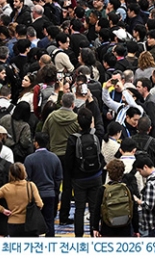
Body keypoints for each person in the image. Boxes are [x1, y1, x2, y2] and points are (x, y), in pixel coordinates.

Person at [65, 107, 106, 237]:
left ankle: (79, 237)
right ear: (91, 121)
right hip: (96, 176)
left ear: (78, 122)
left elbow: (68, 162)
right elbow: (100, 123)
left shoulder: (73, 139)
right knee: (94, 208)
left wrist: (71, 177)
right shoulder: (97, 135)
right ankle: (94, 233)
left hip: (79, 178)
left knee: (79, 209)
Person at [42, 93, 79, 225]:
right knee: (67, 187)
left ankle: (51, 214)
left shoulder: (52, 116)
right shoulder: (76, 118)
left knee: (53, 185)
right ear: (73, 104)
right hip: (70, 156)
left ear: (61, 102)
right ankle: (64, 216)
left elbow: (44, 132)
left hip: (53, 154)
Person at [0, 162, 43, 237]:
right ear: (24, 172)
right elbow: (40, 204)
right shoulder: (30, 185)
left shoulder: (6, 187)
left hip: (13, 223)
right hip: (30, 222)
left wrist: (2, 210)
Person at [23, 132, 63, 237]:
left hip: (35, 195)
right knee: (49, 221)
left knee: (33, 222)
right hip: (50, 194)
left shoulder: (29, 159)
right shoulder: (54, 158)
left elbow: (27, 179)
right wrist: (55, 191)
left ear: (36, 143)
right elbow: (58, 178)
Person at [91, 159, 139, 237]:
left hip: (107, 227)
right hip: (125, 227)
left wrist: (95, 228)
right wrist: (136, 229)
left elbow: (97, 210)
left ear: (109, 173)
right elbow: (134, 210)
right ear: (122, 172)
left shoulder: (103, 189)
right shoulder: (127, 189)